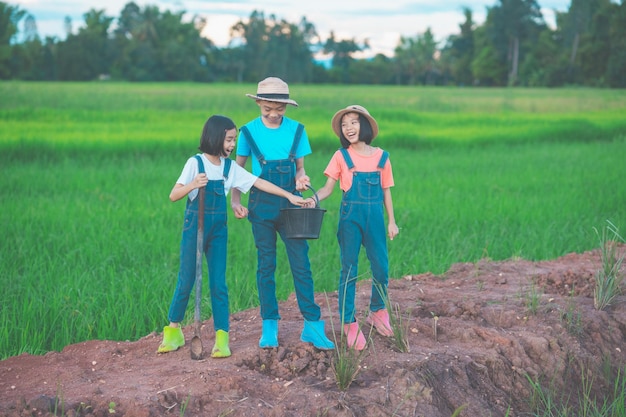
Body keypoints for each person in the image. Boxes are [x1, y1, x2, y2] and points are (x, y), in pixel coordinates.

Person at [158, 114, 306, 357]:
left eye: (234, 140)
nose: (232, 145)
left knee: (219, 283)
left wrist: (289, 196)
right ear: (215, 138)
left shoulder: (230, 168)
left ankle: (221, 337)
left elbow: (258, 183)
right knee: (186, 279)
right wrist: (193, 185)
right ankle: (173, 331)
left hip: (218, 230)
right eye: (229, 139)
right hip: (195, 227)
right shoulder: (195, 163)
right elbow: (174, 195)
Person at [230, 77, 335, 350]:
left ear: (287, 106)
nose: (274, 115)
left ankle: (313, 325)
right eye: (268, 109)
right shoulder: (248, 132)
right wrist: (235, 200)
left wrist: (302, 178)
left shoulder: (297, 130)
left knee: (301, 264)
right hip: (261, 206)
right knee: (266, 265)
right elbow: (237, 171)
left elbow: (300, 169)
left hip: (293, 206)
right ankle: (269, 324)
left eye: (280, 109)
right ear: (259, 104)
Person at [312, 105, 399, 350]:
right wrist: (313, 199)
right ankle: (348, 321)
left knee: (381, 267)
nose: (349, 128)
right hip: (350, 219)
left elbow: (386, 191)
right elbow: (327, 188)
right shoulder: (341, 156)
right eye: (344, 124)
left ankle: (378, 311)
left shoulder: (382, 157)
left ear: (366, 125)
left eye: (354, 122)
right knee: (349, 270)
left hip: (376, 218)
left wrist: (392, 221)